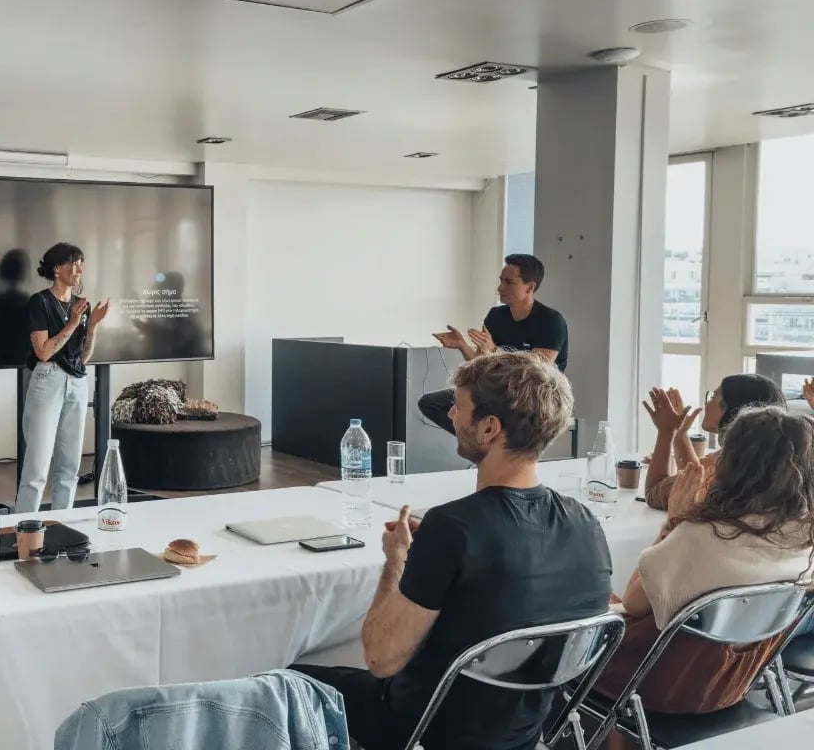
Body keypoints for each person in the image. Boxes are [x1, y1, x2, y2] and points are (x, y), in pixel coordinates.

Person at [293, 352, 611, 750]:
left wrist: (397, 559)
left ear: (489, 428)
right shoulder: (586, 523)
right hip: (525, 731)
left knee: (287, 681)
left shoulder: (454, 528)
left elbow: (380, 659)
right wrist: (437, 551)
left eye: (459, 408)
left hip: (429, 727)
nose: (451, 417)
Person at [595, 406, 814, 718]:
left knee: (580, 594)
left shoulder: (703, 536)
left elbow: (633, 604)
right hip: (730, 686)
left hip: (651, 684)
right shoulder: (804, 539)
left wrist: (674, 522)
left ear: (734, 463)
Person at [418, 254, 568, 434]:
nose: (500, 288)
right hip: (498, 390)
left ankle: (491, 447)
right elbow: (482, 363)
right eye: (501, 281)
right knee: (432, 403)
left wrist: (495, 350)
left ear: (530, 287)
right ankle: (481, 445)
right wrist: (462, 345)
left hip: (535, 396)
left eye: (509, 282)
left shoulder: (550, 321)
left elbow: (537, 369)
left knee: (489, 408)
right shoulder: (496, 316)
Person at [15, 243, 109, 512]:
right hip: (48, 380)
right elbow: (43, 352)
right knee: (37, 467)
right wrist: (72, 323)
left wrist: (92, 326)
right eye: (74, 262)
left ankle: (62, 528)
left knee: (69, 467)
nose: (79, 268)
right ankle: (24, 531)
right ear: (57, 268)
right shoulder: (40, 302)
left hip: (77, 381)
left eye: (81, 262)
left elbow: (83, 358)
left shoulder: (82, 306)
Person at [641, 374, 786, 515]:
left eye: (714, 396)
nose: (707, 403)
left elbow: (654, 493)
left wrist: (666, 431)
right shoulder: (778, 466)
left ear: (730, 410)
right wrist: (680, 432)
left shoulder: (721, 465)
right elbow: (693, 480)